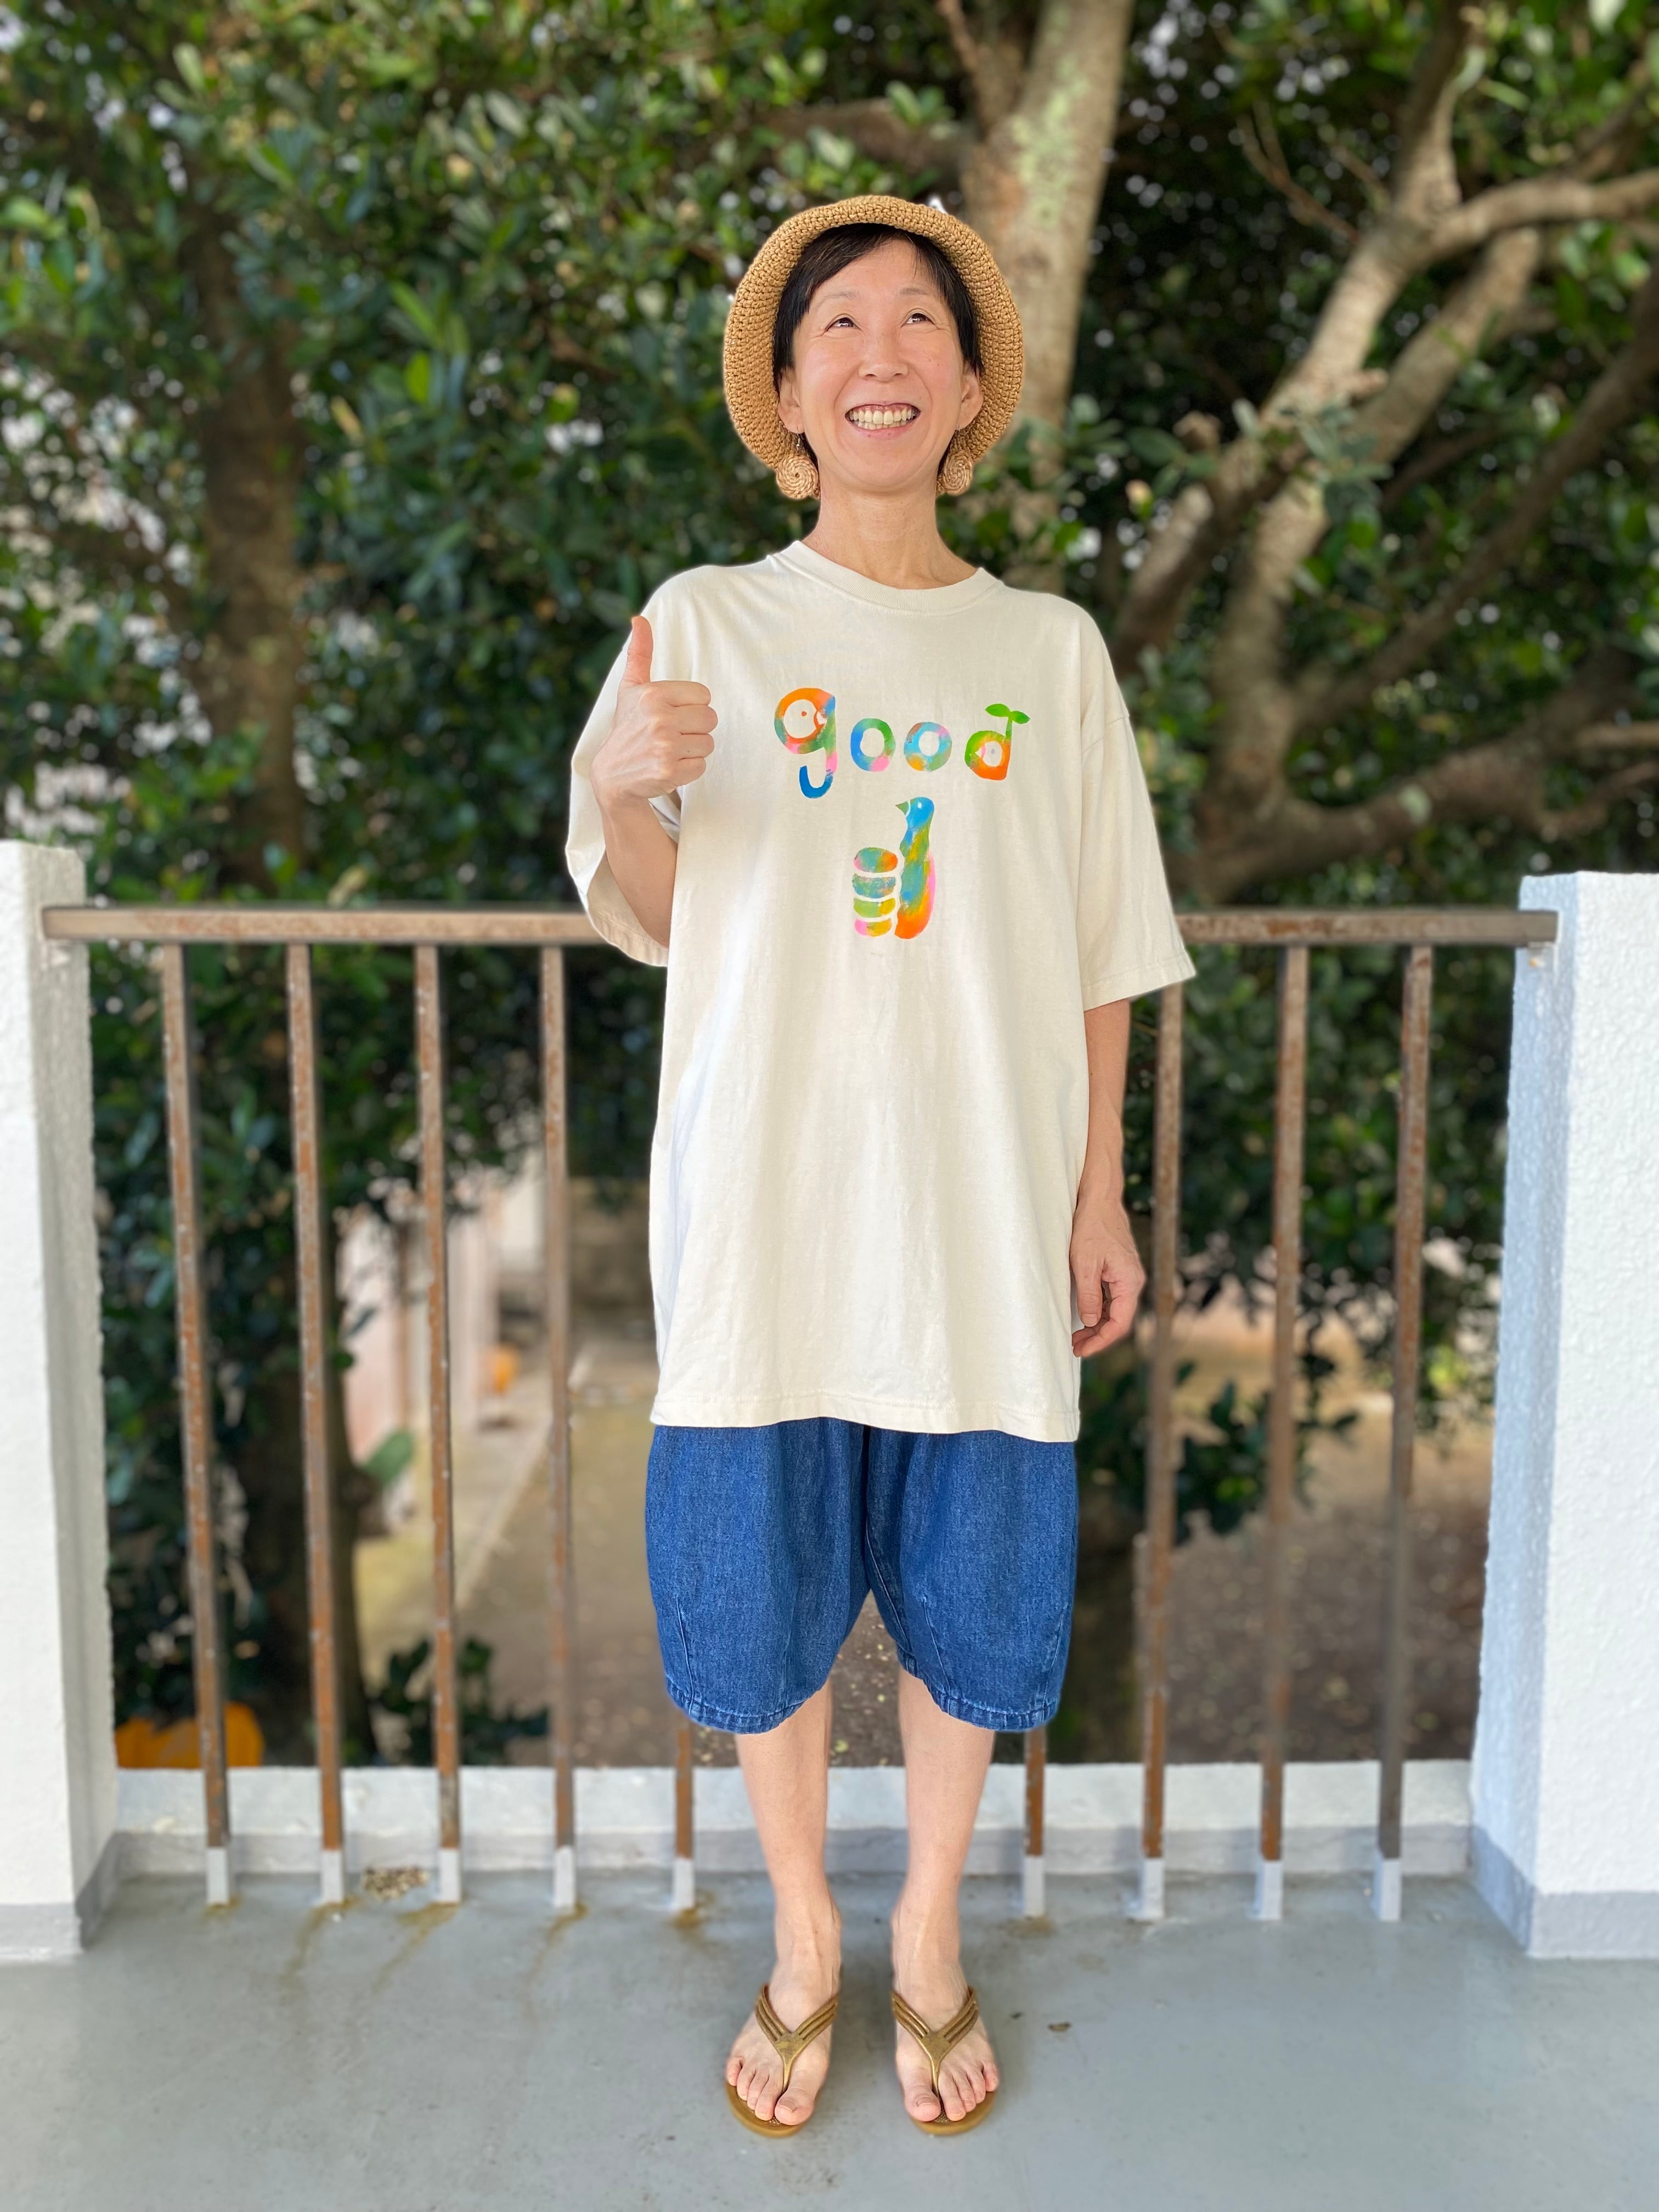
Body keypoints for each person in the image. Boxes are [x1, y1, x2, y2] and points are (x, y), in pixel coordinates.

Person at [565, 193, 1193, 2137]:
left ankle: (926, 1924)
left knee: (976, 1589)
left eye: (919, 321)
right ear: (788, 397)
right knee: (756, 1596)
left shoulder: (1052, 650)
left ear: (968, 389)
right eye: (837, 326)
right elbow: (663, 912)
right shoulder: (703, 621)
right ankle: (803, 1930)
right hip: (768, 1197)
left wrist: (1097, 1191)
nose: (880, 356)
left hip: (984, 1203)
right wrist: (618, 787)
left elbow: (1104, 947)